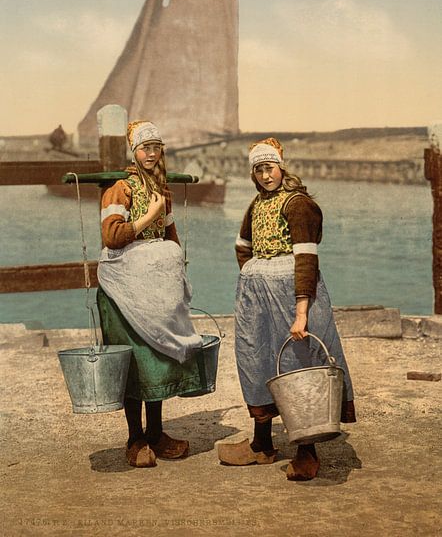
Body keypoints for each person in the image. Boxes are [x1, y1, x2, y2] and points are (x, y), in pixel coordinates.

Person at [217, 137, 356, 480]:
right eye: (259, 170)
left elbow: (306, 260)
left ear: (282, 167)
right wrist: (254, 278)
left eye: (270, 168)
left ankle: (307, 451)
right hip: (258, 299)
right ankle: (262, 445)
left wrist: (301, 312)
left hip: (295, 294)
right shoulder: (255, 205)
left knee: (300, 364)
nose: (265, 176)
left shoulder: (298, 204)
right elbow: (242, 246)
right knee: (256, 360)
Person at [97, 120, 204, 468]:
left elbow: (170, 234)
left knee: (157, 358)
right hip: (123, 289)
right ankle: (135, 437)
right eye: (146, 147)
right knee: (133, 361)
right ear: (134, 151)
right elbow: (112, 237)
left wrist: (176, 278)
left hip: (155, 289)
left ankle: (156, 433)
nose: (152, 153)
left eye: (157, 147)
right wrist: (149, 216)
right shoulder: (119, 190)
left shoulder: (163, 190)